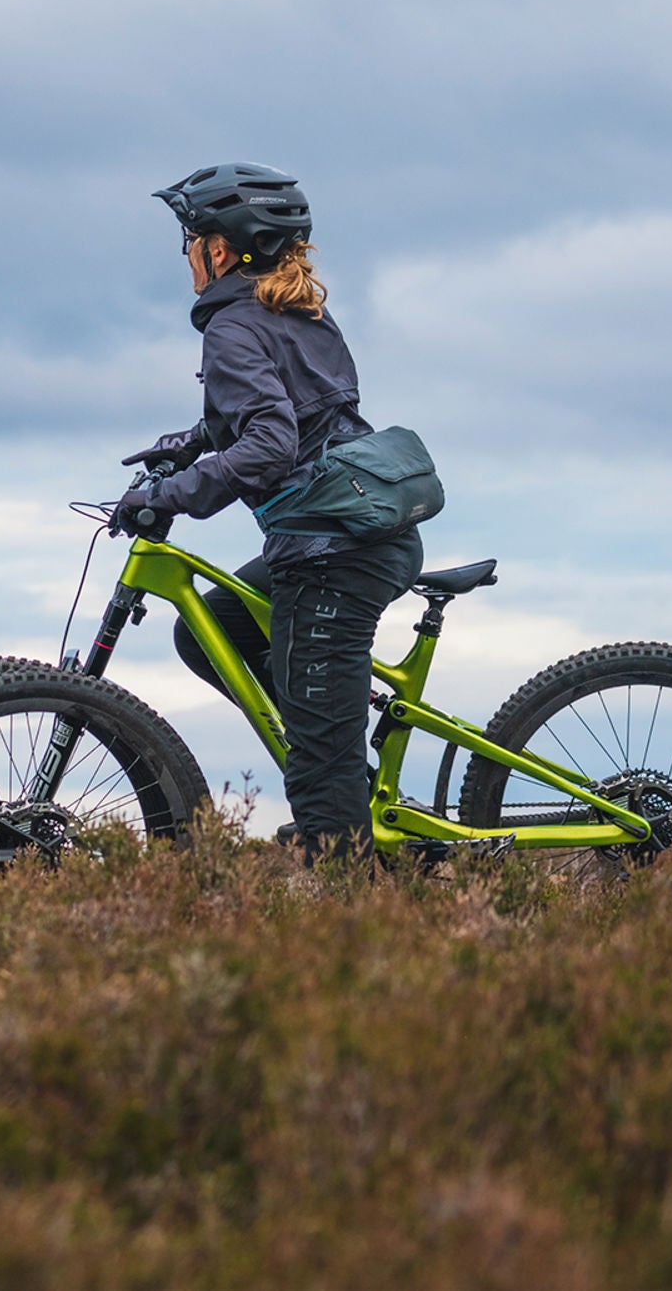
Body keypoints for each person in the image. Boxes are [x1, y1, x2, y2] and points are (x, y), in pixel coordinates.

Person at [118, 162, 424, 860]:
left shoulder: (234, 326)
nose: (187, 255)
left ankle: (344, 866)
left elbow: (271, 442)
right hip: (350, 532)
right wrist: (185, 446)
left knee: (319, 765)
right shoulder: (295, 312)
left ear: (220, 250)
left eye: (190, 239)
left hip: (334, 553)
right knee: (211, 630)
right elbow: (294, 415)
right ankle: (338, 764)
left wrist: (170, 496)